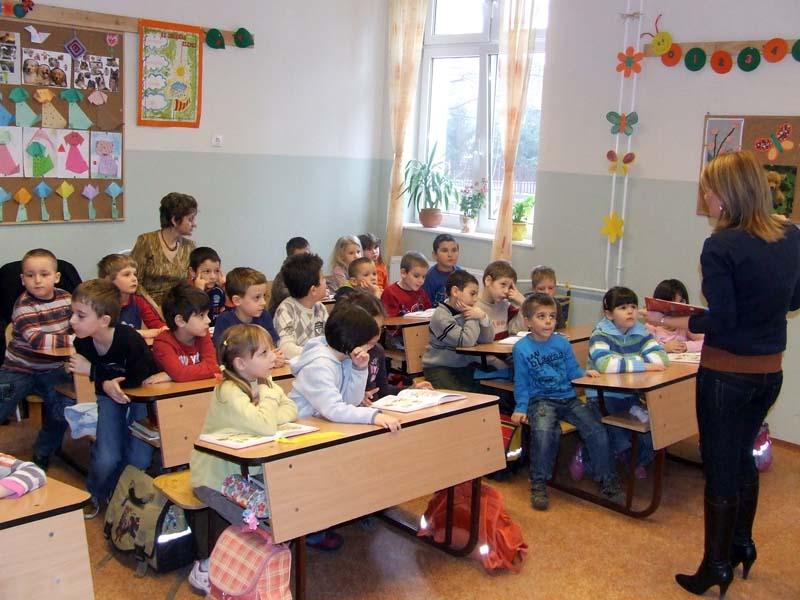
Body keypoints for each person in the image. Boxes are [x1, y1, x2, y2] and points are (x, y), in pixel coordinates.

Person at [643, 151, 800, 598]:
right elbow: (793, 301)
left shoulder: (720, 245)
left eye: (709, 192)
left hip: (726, 376)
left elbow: (724, 319)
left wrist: (679, 321)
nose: (707, 200)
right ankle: (741, 545)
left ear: (727, 195)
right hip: (768, 373)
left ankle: (715, 566)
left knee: (720, 468)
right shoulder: (792, 234)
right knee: (742, 458)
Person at [188, 324, 298, 594]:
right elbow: (265, 426)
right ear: (241, 363)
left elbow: (291, 409)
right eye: (264, 353)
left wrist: (267, 412)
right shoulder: (229, 391)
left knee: (285, 512)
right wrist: (269, 403)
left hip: (245, 478)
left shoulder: (263, 381)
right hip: (214, 480)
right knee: (261, 529)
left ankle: (256, 573)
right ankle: (208, 569)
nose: (273, 357)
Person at [511, 294, 622, 510]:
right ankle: (539, 484)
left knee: (596, 429)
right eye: (541, 316)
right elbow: (521, 382)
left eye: (552, 316)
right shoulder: (521, 348)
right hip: (541, 400)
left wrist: (585, 374)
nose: (548, 321)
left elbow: (572, 369)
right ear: (527, 322)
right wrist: (521, 407)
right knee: (543, 432)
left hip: (568, 398)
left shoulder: (561, 342)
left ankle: (608, 481)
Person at [66, 279, 157, 518]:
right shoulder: (82, 342)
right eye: (72, 313)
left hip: (140, 397)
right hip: (107, 396)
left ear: (104, 320)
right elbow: (104, 381)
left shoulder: (130, 340)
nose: (72, 320)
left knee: (139, 457)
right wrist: (104, 381)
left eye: (80, 315)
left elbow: (137, 378)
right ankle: (95, 493)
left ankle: (121, 496)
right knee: (107, 457)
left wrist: (95, 372)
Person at [0, 248, 72, 469]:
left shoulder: (67, 299)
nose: (37, 280)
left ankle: (43, 451)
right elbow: (39, 342)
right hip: (18, 369)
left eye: (44, 274)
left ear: (56, 277)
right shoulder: (23, 306)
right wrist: (75, 341)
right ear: (23, 280)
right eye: (30, 275)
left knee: (62, 410)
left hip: (53, 369)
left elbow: (82, 326)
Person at [587, 287, 667, 478]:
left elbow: (661, 359)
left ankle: (634, 460)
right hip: (602, 396)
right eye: (622, 308)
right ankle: (588, 457)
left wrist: (626, 364)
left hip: (630, 394)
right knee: (621, 438)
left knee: (653, 435)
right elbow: (606, 364)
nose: (630, 311)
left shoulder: (641, 332)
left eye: (632, 306)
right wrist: (644, 365)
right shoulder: (600, 335)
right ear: (609, 314)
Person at [289, 304, 401, 431]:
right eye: (368, 344)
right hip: (303, 426)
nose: (370, 348)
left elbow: (352, 401)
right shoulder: (318, 366)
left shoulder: (346, 358)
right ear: (352, 340)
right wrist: (373, 416)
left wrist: (359, 369)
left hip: (323, 424)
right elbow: (333, 409)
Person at [336, 291, 432, 403]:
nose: (377, 334)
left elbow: (383, 390)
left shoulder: (377, 351)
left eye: (381, 328)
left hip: (376, 409)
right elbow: (332, 399)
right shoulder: (342, 355)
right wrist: (356, 399)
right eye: (371, 328)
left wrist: (410, 390)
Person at [422, 270, 494, 393]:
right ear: (455, 291)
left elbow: (487, 340)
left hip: (462, 366)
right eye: (472, 294)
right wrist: (472, 317)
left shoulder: (467, 311)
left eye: (476, 294)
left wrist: (483, 317)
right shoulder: (441, 316)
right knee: (460, 399)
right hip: (439, 368)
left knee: (490, 392)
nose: (475, 299)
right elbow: (466, 341)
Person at [130, 192, 198, 306]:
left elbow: (190, 283)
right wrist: (156, 308)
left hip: (177, 306)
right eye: (190, 219)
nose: (195, 224)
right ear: (175, 220)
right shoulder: (146, 241)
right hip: (147, 305)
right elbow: (135, 282)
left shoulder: (190, 246)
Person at [212, 269, 283, 368]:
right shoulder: (224, 320)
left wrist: (276, 357)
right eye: (257, 297)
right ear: (237, 300)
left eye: (264, 296)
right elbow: (222, 355)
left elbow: (272, 345)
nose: (263, 302)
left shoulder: (264, 316)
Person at [151, 283, 220, 383]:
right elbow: (180, 374)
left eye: (207, 314)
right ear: (180, 321)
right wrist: (178, 374)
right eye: (201, 315)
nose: (208, 320)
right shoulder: (162, 343)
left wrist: (172, 375)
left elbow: (214, 366)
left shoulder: (202, 334)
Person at [273, 253, 329, 360]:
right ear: (313, 290)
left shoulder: (320, 308)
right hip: (296, 365)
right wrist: (319, 352)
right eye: (323, 278)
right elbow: (286, 349)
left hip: (319, 361)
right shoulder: (286, 309)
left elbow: (330, 338)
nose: (326, 281)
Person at [98, 253, 166, 339]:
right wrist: (142, 333)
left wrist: (164, 329)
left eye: (135, 274)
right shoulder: (100, 305)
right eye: (127, 275)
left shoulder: (139, 301)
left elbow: (157, 325)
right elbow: (107, 334)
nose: (134, 279)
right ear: (108, 280)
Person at [644, 279, 704, 353]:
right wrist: (663, 348)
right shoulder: (652, 327)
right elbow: (643, 349)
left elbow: (706, 341)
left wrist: (686, 346)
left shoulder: (684, 327)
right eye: (672, 304)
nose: (678, 308)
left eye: (681, 302)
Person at [477, 260, 526, 341]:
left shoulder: (507, 307)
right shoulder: (472, 306)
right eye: (503, 284)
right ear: (488, 281)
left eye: (510, 287)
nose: (506, 291)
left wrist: (524, 303)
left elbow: (517, 333)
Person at [268, 236, 311, 316]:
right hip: (281, 317)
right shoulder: (282, 276)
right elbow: (287, 297)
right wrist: (310, 293)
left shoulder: (310, 271)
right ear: (290, 258)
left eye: (307, 256)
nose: (305, 261)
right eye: (300, 258)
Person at [381, 251, 432, 317]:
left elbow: (429, 314)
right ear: (403, 273)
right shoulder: (390, 293)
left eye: (423, 277)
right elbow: (390, 320)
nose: (421, 281)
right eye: (416, 276)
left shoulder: (421, 293)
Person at [188, 247, 226, 327]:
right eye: (207, 271)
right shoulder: (185, 291)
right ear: (193, 272)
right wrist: (199, 291)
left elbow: (229, 312)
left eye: (217, 271)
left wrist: (226, 288)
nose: (213, 276)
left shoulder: (218, 290)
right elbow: (189, 315)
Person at [421, 234, 461, 306]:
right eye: (445, 251)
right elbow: (425, 304)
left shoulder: (460, 273)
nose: (450, 255)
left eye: (454, 250)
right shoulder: (429, 277)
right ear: (435, 255)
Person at [530, 265, 567, 330]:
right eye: (541, 289)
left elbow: (561, 329)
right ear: (534, 289)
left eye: (550, 288)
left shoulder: (556, 304)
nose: (547, 292)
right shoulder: (528, 304)